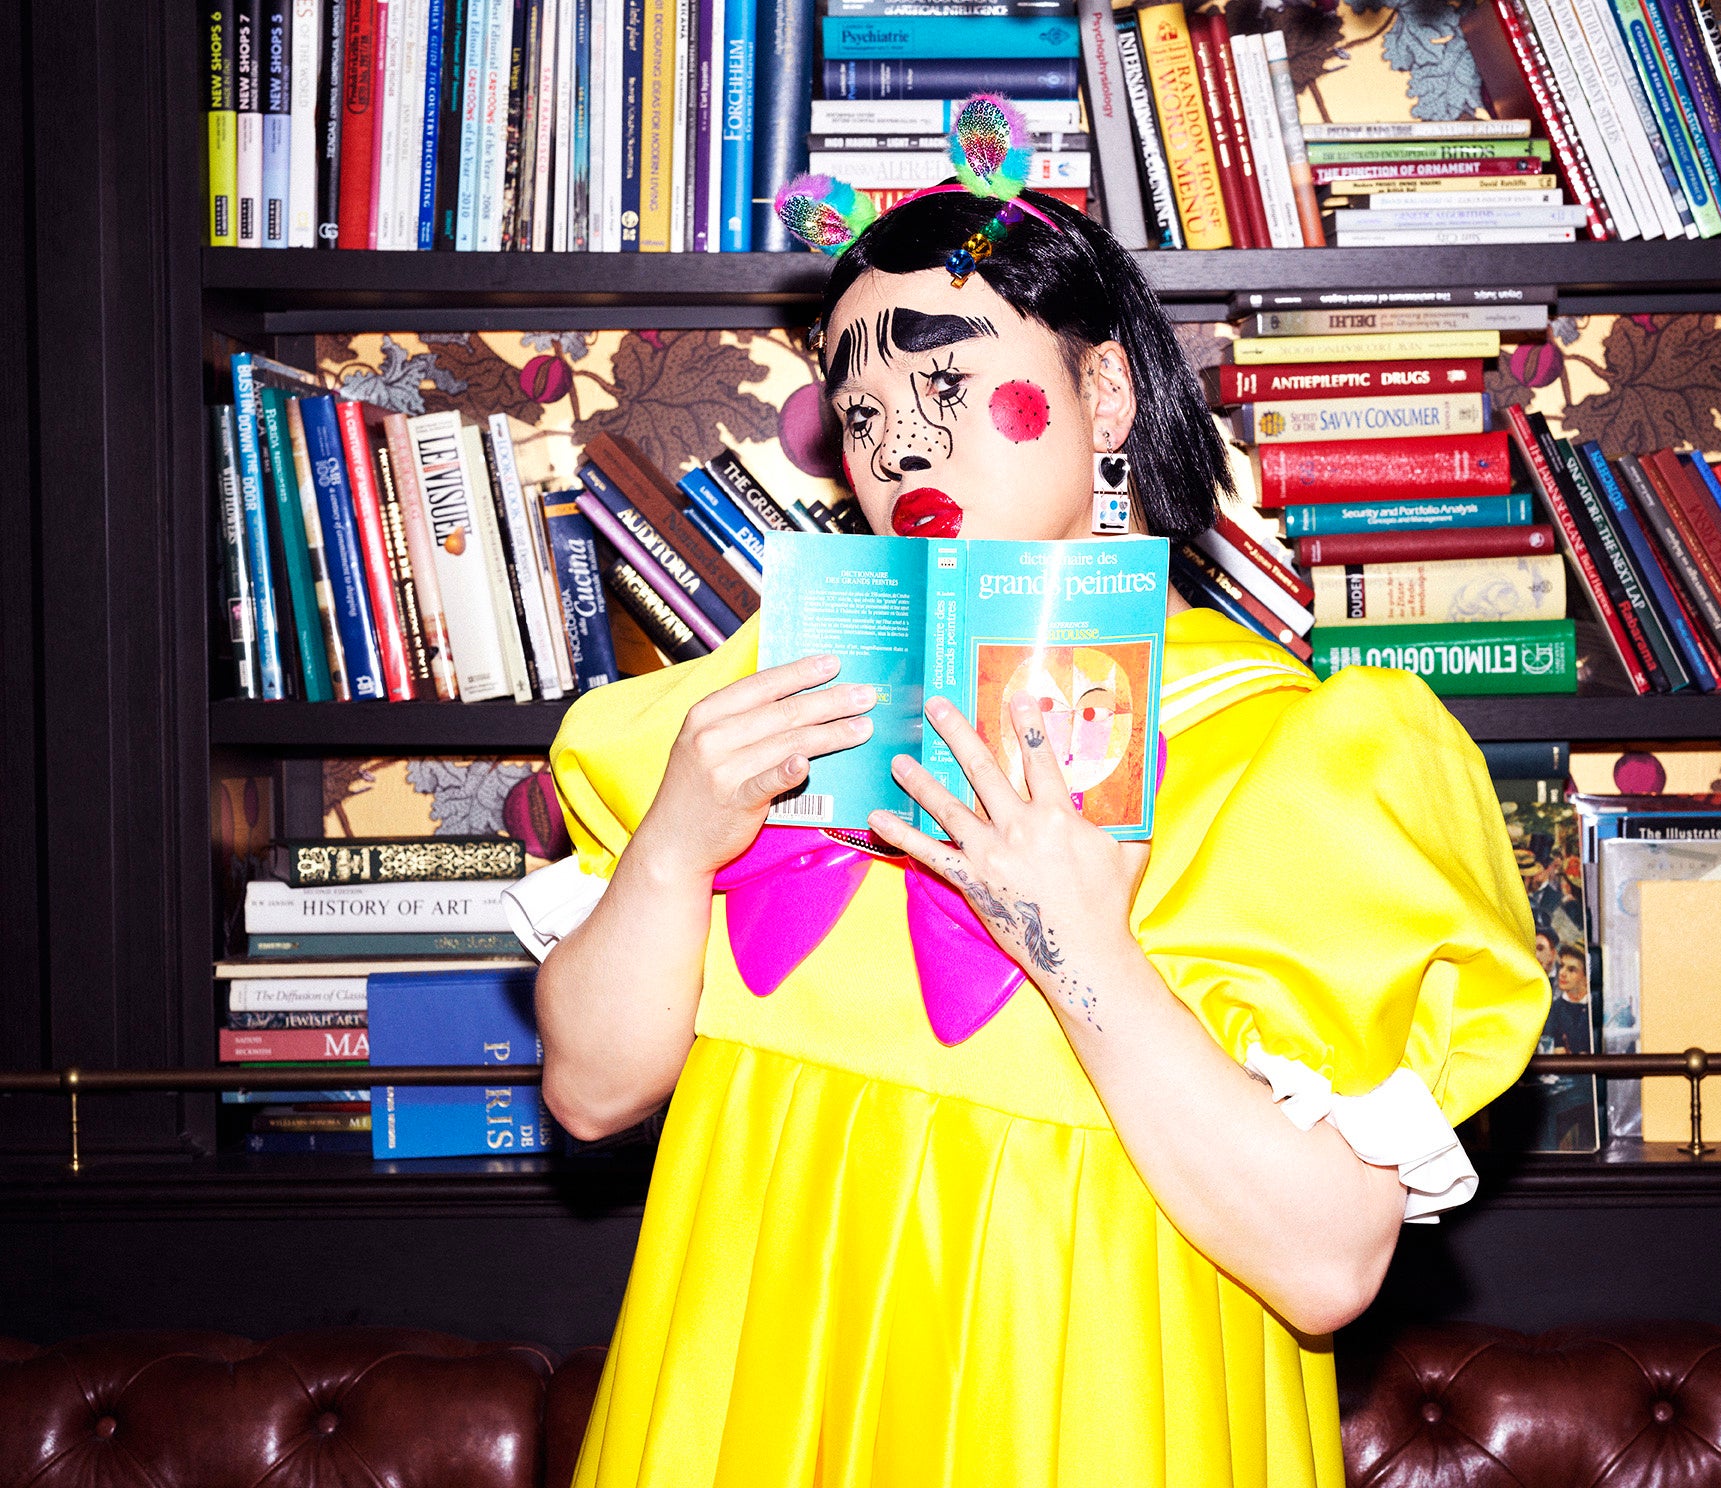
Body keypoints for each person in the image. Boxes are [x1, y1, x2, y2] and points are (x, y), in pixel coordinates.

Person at [507, 142, 1549, 1486]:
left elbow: (1326, 1263)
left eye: (946, 383)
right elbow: (592, 1096)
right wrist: (668, 852)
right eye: (861, 411)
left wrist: (1075, 948)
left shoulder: (1290, 761)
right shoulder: (755, 705)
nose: (899, 445)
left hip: (1091, 1409)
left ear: (1102, 391)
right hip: (749, 1396)